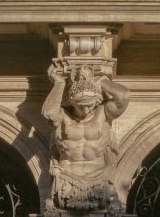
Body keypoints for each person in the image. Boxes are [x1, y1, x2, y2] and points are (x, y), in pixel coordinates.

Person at [41, 65, 130, 212]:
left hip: (99, 177)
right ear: (71, 102)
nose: (86, 110)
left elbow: (124, 96)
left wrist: (101, 81)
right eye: (80, 106)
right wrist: (59, 83)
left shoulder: (103, 113)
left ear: (96, 101)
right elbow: (49, 113)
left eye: (89, 105)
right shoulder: (63, 116)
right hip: (66, 177)